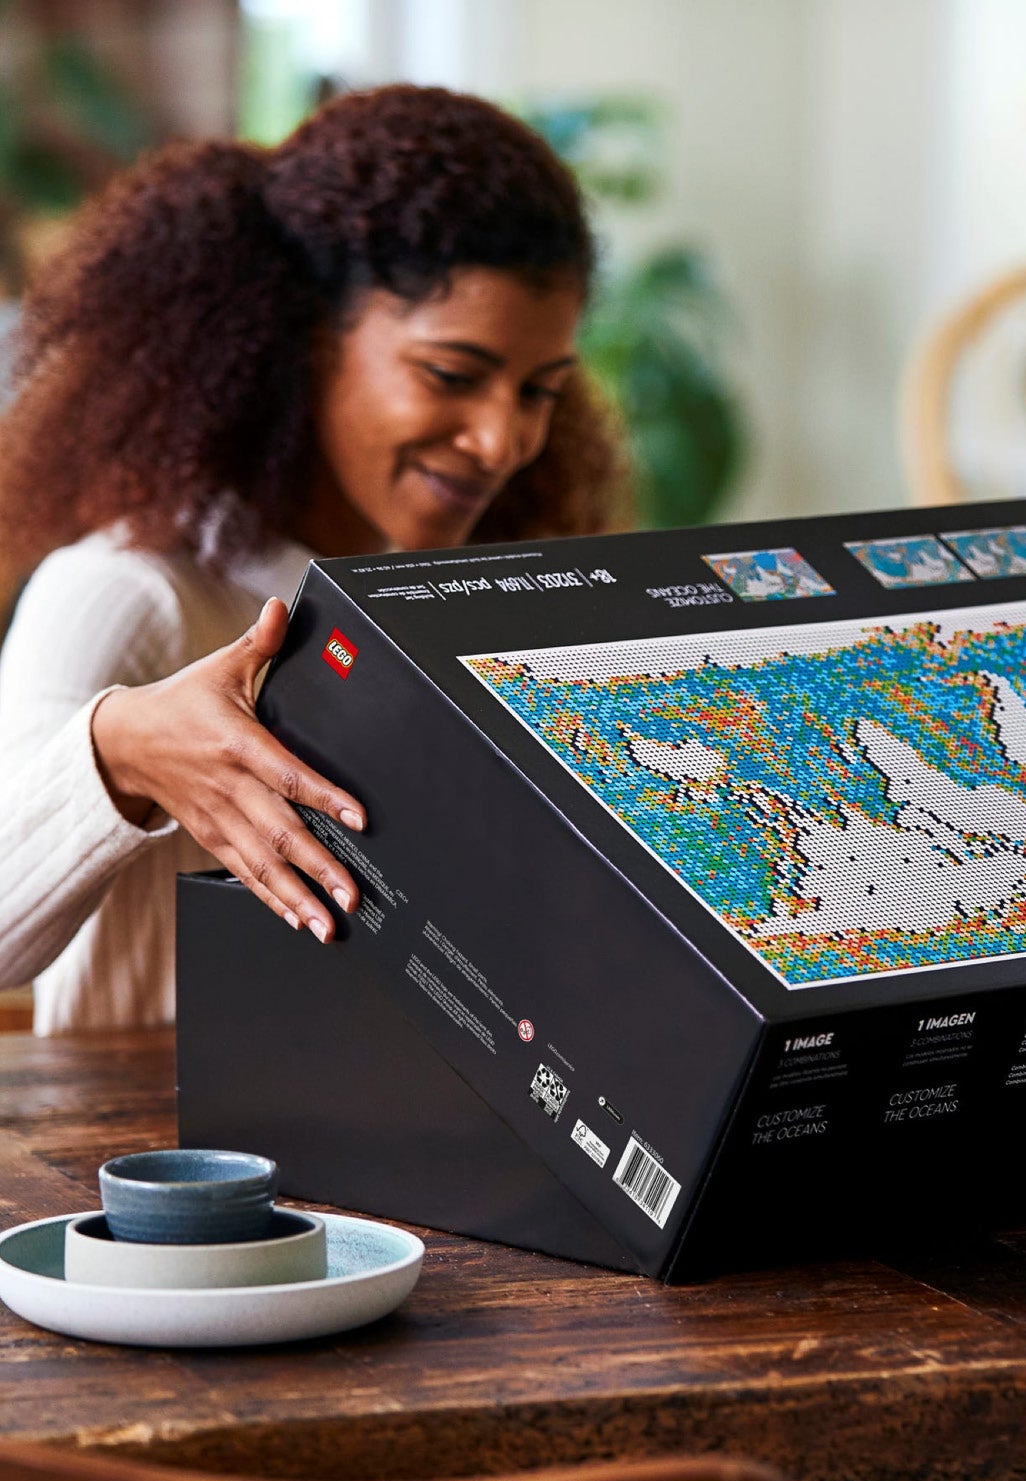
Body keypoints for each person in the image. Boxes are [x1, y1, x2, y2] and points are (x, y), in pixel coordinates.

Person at [0, 85, 623, 1036]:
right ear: (301, 340)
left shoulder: (465, 603)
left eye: (539, 391)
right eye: (451, 376)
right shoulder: (127, 592)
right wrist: (118, 752)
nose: (503, 441)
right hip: (156, 1126)